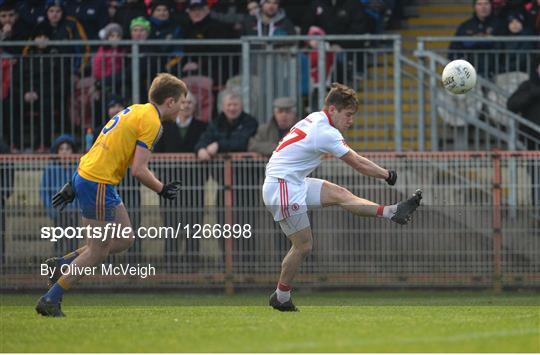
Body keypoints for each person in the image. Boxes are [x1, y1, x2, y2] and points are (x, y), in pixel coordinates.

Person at [35, 73, 188, 317]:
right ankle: (50, 299)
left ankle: (62, 264)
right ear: (169, 101)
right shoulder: (153, 123)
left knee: (126, 237)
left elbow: (100, 146)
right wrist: (162, 188)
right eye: (181, 102)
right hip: (98, 182)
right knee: (98, 250)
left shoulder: (137, 110)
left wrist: (74, 181)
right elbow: (138, 170)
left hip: (95, 178)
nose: (183, 107)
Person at [262, 83, 422, 311]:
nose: (351, 120)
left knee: (340, 194)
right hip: (282, 188)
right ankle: (281, 296)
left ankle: (392, 212)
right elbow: (357, 163)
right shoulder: (325, 132)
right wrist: (388, 175)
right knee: (304, 246)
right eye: (348, 115)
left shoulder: (317, 118)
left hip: (291, 182)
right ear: (332, 109)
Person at [154, 91, 207, 271]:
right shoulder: (164, 127)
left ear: (194, 106)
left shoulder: (202, 127)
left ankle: (192, 266)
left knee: (194, 227)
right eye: (182, 102)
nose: (186, 106)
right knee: (170, 226)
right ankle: (170, 266)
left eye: (190, 103)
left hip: (194, 186)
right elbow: (156, 154)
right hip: (170, 186)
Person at [40, 135, 79, 257]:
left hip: (73, 212)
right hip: (58, 212)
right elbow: (44, 190)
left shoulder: (78, 169)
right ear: (57, 152)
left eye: (68, 149)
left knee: (73, 245)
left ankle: (72, 271)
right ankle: (58, 270)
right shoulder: (51, 169)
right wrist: (51, 208)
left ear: (72, 152)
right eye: (61, 149)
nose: (64, 152)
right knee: (58, 243)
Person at [449, 0, 504, 77]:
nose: (483, 7)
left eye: (486, 4)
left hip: (495, 71)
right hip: (469, 72)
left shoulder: (500, 25)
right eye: (480, 4)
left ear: (491, 6)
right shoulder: (465, 26)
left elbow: (504, 47)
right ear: (474, 7)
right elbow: (454, 48)